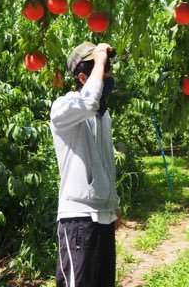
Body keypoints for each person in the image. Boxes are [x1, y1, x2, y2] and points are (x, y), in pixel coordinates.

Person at [50, 42, 121, 287]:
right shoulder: (64, 107)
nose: (109, 75)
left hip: (103, 219)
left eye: (108, 69)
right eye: (104, 69)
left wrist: (113, 204)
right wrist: (99, 58)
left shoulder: (104, 117)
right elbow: (88, 103)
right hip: (78, 220)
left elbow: (106, 163)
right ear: (82, 76)